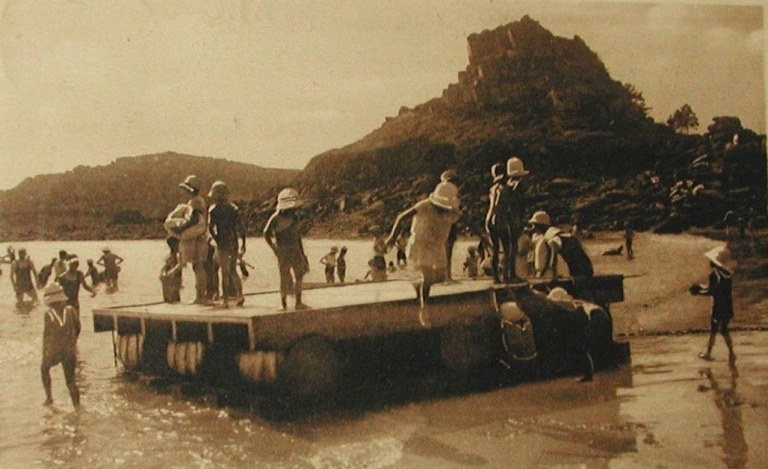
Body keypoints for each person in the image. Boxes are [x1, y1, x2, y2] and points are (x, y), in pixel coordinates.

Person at [385, 181, 460, 305]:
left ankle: (418, 285)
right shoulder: (424, 206)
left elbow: (468, 221)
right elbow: (402, 217)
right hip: (421, 244)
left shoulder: (452, 211)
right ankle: (424, 306)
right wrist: (393, 237)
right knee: (428, 276)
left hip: (437, 245)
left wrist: (483, 236)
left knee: (441, 277)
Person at [264, 188, 310, 310]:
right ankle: (283, 303)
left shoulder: (295, 217)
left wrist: (302, 254)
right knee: (284, 277)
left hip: (295, 249)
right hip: (282, 250)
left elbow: (298, 237)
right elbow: (266, 233)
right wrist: (274, 248)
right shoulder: (276, 218)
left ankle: (298, 302)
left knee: (299, 275)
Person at [690, 245, 737, 366]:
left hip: (718, 305)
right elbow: (716, 288)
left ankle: (709, 353)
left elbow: (712, 291)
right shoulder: (727, 274)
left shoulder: (713, 275)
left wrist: (699, 292)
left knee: (714, 329)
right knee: (723, 329)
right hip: (727, 304)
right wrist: (703, 288)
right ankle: (731, 353)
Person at [485, 157, 529, 283]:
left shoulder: (493, 188)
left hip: (489, 219)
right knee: (507, 249)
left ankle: (496, 278)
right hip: (501, 220)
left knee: (495, 249)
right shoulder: (508, 189)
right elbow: (510, 206)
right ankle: (508, 275)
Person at [40, 283, 81, 408]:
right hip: (69, 350)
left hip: (55, 350)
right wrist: (73, 341)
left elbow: (46, 336)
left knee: (44, 369)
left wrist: (44, 352)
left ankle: (49, 398)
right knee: (71, 381)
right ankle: (77, 406)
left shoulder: (49, 315)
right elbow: (78, 327)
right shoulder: (71, 311)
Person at [207, 181, 246, 307]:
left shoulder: (214, 210)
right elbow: (241, 227)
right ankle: (240, 295)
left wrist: (216, 239)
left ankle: (225, 300)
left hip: (222, 241)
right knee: (233, 270)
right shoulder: (233, 209)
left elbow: (210, 228)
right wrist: (243, 243)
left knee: (224, 271)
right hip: (233, 240)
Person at [528, 210, 594, 284]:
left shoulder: (551, 237)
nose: (533, 228)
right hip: (582, 268)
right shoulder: (554, 234)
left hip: (579, 270)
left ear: (541, 226)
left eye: (535, 225)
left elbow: (552, 253)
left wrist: (550, 270)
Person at [173, 175, 209, 304]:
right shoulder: (197, 200)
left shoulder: (195, 202)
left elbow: (194, 219)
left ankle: (200, 296)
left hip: (196, 238)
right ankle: (201, 296)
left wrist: (180, 228)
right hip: (199, 237)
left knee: (198, 266)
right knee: (198, 266)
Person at [440, 169, 462, 281]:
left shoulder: (454, 197)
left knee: (448, 251)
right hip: (444, 225)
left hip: (451, 225)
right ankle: (445, 276)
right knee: (445, 251)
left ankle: (447, 275)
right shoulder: (442, 198)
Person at [159, 236, 183, 303]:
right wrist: (162, 273)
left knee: (172, 297)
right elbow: (180, 264)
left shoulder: (175, 255)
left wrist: (170, 272)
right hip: (172, 276)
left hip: (173, 276)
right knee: (172, 297)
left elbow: (180, 265)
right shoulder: (174, 255)